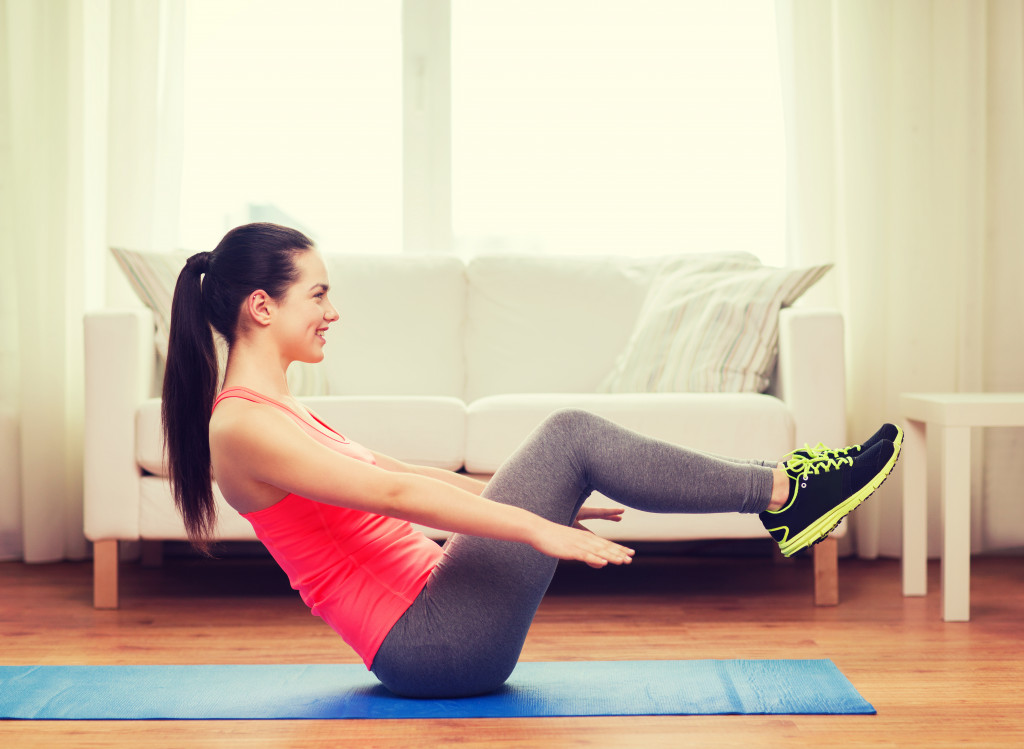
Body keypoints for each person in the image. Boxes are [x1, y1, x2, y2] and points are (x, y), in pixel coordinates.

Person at [163, 222, 902, 699]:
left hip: (439, 611)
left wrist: (533, 502)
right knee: (570, 432)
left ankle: (785, 494)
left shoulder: (280, 408)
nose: (332, 310)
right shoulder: (240, 427)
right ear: (262, 306)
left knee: (566, 441)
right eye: (318, 293)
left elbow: (414, 471)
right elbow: (386, 491)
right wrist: (536, 529)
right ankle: (786, 494)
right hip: (432, 643)